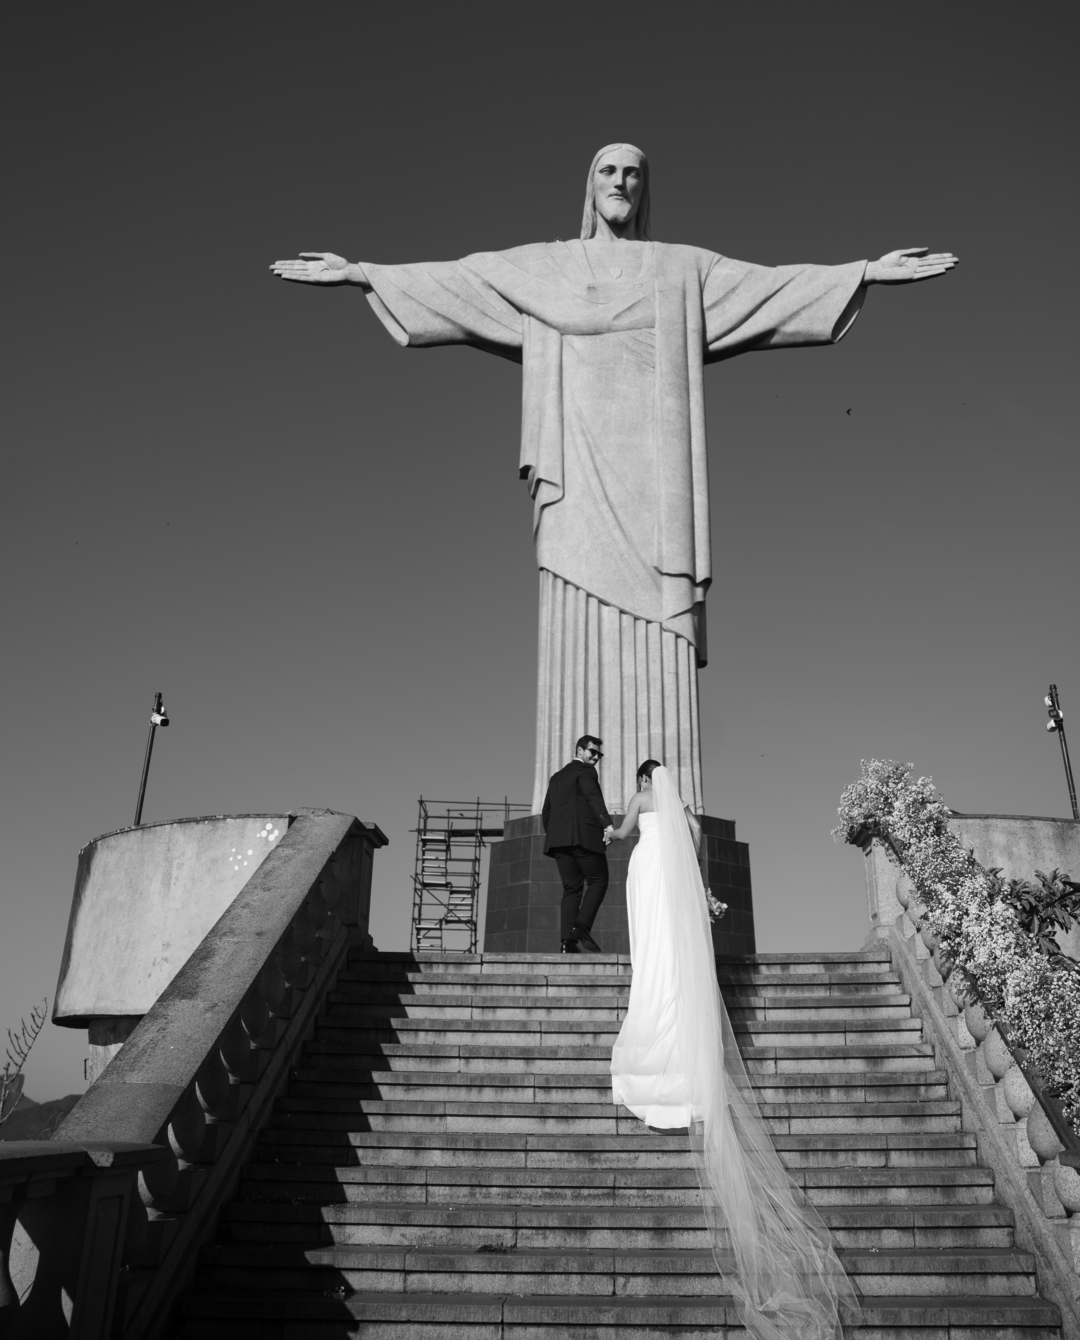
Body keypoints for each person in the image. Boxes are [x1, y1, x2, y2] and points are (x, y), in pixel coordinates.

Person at [270, 148, 955, 819]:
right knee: (572, 604)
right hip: (574, 466)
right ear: (590, 185)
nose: (620, 181)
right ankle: (567, 801)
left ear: (645, 188)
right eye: (608, 170)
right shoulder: (547, 267)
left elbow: (771, 287)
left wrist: (865, 272)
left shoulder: (681, 268)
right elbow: (463, 281)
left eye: (633, 172)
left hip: (657, 475)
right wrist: (361, 273)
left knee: (661, 607)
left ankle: (671, 802)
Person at [610, 761, 860, 1340]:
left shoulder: (642, 801)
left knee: (651, 953)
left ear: (645, 781)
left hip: (646, 875)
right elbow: (696, 849)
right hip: (674, 883)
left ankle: (652, 1024)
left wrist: (610, 830)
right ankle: (678, 1029)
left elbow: (621, 834)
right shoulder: (685, 815)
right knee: (673, 955)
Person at [540, 734, 614, 953]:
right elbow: (592, 796)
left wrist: (556, 834)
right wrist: (607, 825)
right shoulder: (586, 771)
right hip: (584, 837)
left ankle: (567, 942)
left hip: (560, 842)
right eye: (592, 752)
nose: (596, 757)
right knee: (599, 880)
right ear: (580, 751)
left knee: (571, 888)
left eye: (599, 754)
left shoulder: (556, 777)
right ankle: (581, 926)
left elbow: (546, 812)